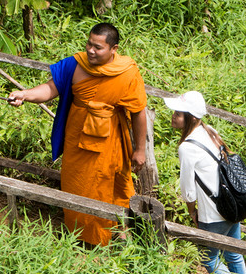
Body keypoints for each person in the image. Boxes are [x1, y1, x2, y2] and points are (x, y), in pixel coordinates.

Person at [8, 23, 147, 246]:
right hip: (77, 137)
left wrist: (139, 149)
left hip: (109, 140)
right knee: (77, 184)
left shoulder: (127, 72)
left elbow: (139, 112)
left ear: (114, 49)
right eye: (89, 44)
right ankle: (80, 236)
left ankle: (113, 234)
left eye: (98, 47)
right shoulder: (76, 64)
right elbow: (50, 89)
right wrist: (25, 94)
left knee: (108, 185)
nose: (91, 50)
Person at [166, 90, 246, 274]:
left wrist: (192, 211)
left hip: (212, 214)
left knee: (208, 259)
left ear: (191, 118)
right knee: (234, 255)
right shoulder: (210, 131)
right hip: (231, 206)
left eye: (179, 113)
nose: (173, 116)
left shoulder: (187, 147)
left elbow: (187, 187)